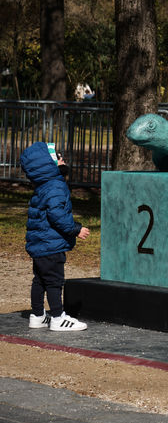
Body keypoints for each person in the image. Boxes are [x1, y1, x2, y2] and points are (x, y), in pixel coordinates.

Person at [20, 141, 90, 331]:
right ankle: (58, 318)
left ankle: (37, 315)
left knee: (39, 280)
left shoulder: (42, 186)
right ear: (47, 163)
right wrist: (76, 229)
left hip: (40, 244)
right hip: (51, 245)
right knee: (54, 282)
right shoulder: (56, 186)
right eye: (57, 157)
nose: (62, 158)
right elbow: (57, 215)